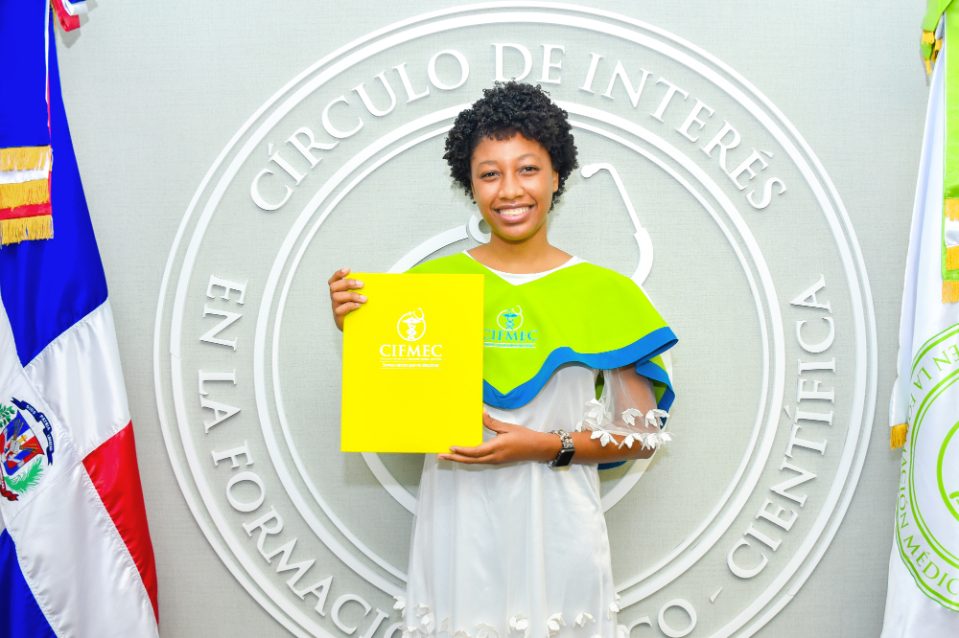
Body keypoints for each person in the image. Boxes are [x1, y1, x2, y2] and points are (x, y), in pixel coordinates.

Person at [328, 82, 677, 638]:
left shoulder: (608, 294)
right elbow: (402, 411)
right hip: (458, 530)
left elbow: (641, 437)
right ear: (469, 184)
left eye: (528, 169)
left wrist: (545, 445)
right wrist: (364, 329)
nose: (510, 190)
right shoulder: (428, 288)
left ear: (557, 175)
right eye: (490, 173)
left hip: (559, 535)